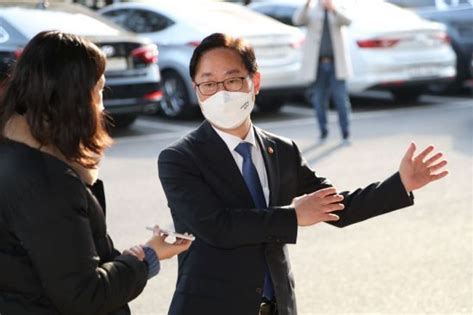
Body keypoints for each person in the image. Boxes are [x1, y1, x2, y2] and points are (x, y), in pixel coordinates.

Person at [157, 33, 448, 315]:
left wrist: (401, 183)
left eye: (232, 80)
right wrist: (294, 216)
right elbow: (218, 227)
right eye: (208, 84)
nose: (221, 93)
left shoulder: (282, 150)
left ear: (254, 82)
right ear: (196, 90)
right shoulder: (179, 159)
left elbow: (335, 207)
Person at [0, 31, 192, 315]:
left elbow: (64, 262)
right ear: (76, 97)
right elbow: (84, 295)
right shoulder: (47, 179)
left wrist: (133, 256)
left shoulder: (16, 151)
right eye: (100, 89)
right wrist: (148, 255)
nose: (102, 104)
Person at [293, 0, 353, 141]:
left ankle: (345, 132)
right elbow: (297, 20)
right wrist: (307, 4)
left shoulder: (339, 6)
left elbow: (348, 21)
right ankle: (323, 131)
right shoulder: (311, 9)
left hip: (336, 64)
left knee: (341, 99)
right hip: (318, 65)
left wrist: (333, 9)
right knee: (319, 100)